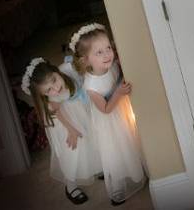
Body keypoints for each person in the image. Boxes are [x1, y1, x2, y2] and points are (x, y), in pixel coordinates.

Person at [70, 23, 145, 206]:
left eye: (108, 48)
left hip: (124, 113)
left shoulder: (114, 65)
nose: (107, 55)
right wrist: (119, 93)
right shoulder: (91, 85)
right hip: (109, 123)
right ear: (86, 60)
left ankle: (138, 172)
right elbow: (105, 109)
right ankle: (117, 188)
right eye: (99, 52)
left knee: (132, 142)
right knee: (116, 151)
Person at [21, 57, 101, 204]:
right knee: (71, 152)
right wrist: (71, 130)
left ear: (57, 71)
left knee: (91, 139)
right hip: (63, 124)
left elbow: (80, 65)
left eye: (54, 80)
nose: (55, 89)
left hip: (80, 113)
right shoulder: (50, 100)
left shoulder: (67, 70)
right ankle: (70, 186)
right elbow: (57, 114)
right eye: (48, 90)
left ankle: (96, 166)